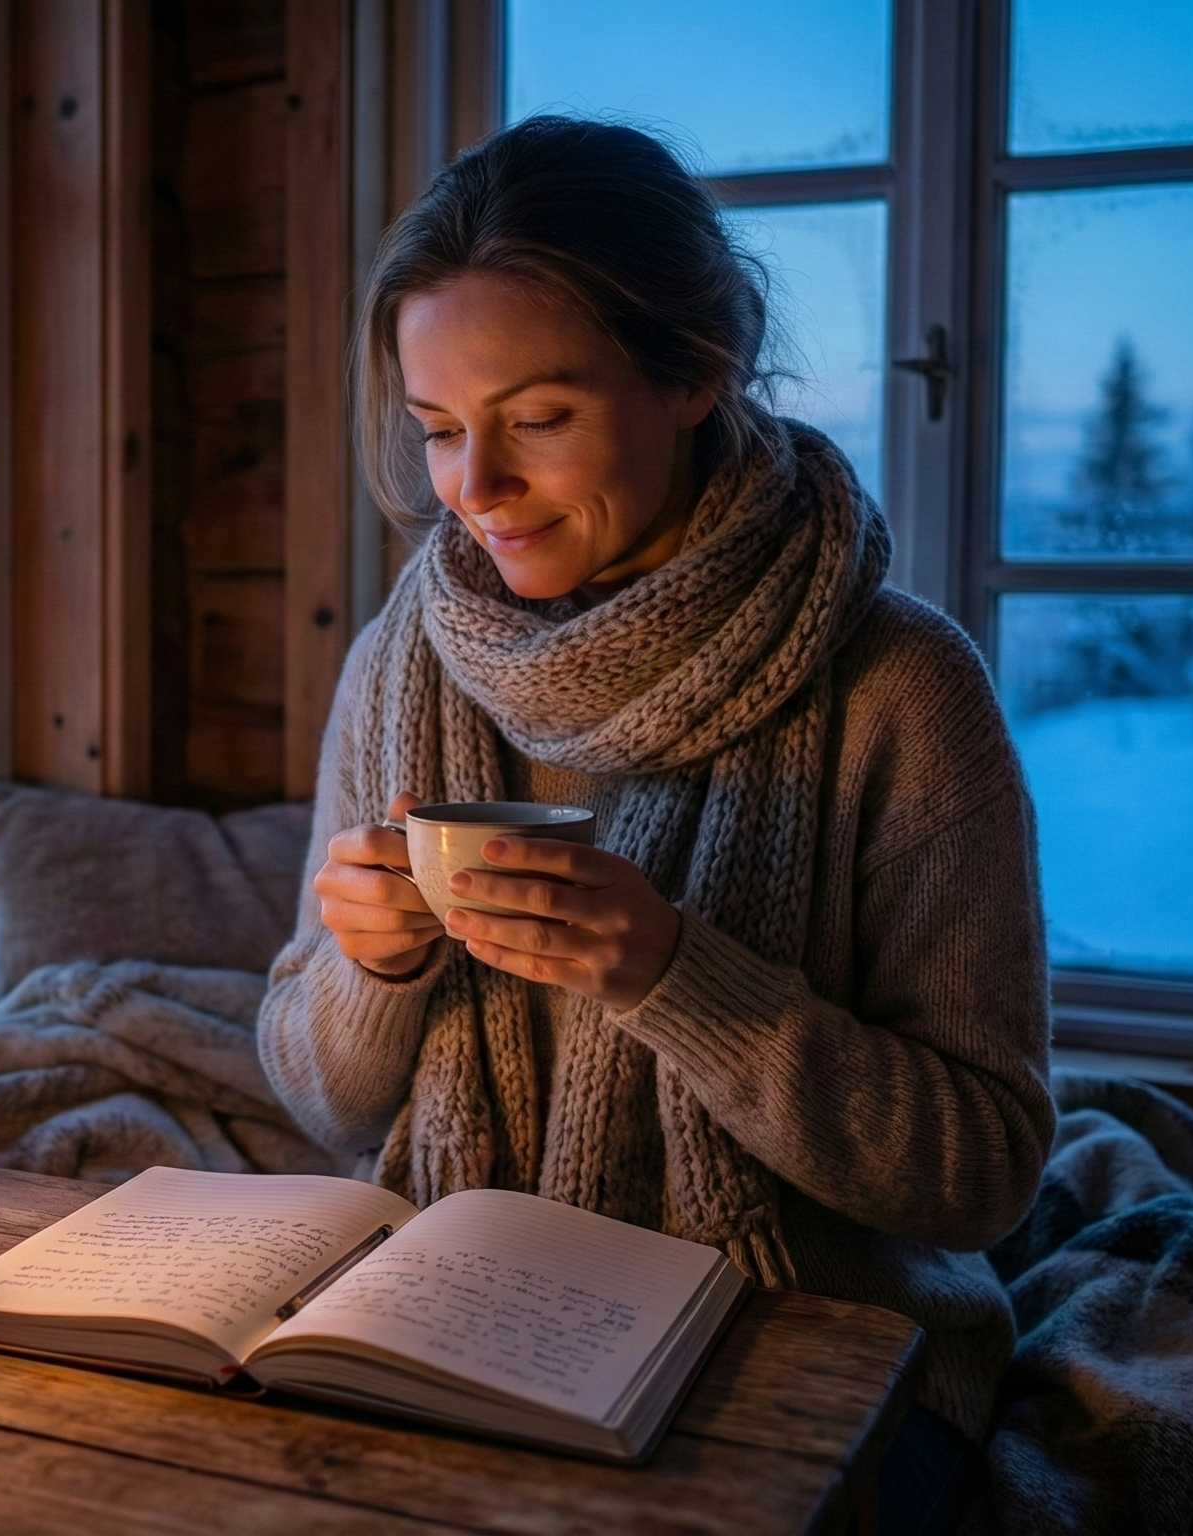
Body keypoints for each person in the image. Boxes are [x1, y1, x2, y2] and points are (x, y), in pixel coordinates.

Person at [254, 116, 1053, 1530]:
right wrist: (370, 971)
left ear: (696, 372)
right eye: (440, 430)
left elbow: (979, 1170)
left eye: (539, 420)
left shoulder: (900, 690)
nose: (475, 489)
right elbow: (318, 1096)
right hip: (458, 1316)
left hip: (811, 1347)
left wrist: (676, 977)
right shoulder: (405, 658)